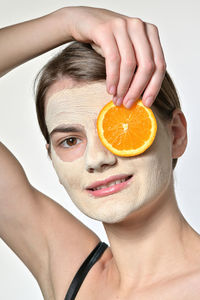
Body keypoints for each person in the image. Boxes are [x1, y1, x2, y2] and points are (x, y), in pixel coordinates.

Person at [1, 5, 199, 300]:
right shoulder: (70, 274)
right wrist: (66, 20)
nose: (97, 159)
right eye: (70, 141)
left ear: (176, 135)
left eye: (122, 126)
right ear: (52, 159)